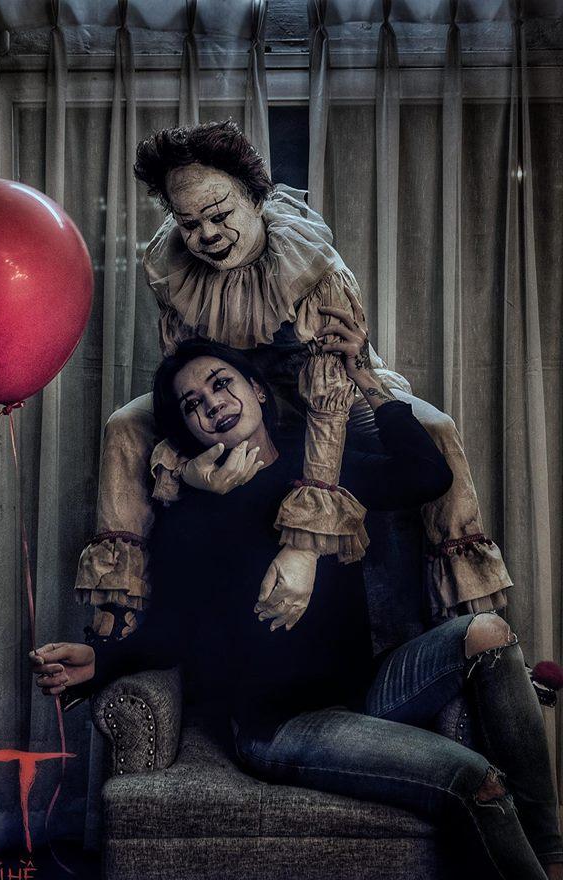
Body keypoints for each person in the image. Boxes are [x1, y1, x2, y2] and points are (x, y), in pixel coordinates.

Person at [33, 314, 563, 880]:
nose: (211, 405)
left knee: (487, 632)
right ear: (187, 428)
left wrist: (366, 378)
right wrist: (101, 658)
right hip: (283, 728)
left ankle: (550, 857)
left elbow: (426, 475)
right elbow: (178, 629)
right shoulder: (193, 511)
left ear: (258, 389)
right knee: (475, 779)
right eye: (192, 404)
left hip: (366, 688)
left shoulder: (321, 471)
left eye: (221, 383)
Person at [73, 119, 512, 669]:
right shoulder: (172, 265)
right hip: (238, 390)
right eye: (189, 223)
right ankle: (116, 618)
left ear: (255, 199)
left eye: (220, 215)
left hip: (326, 383)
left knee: (438, 430)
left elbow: (328, 403)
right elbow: (184, 373)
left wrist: (304, 541)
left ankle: (467, 622)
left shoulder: (312, 265)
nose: (207, 235)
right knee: (123, 425)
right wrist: (185, 466)